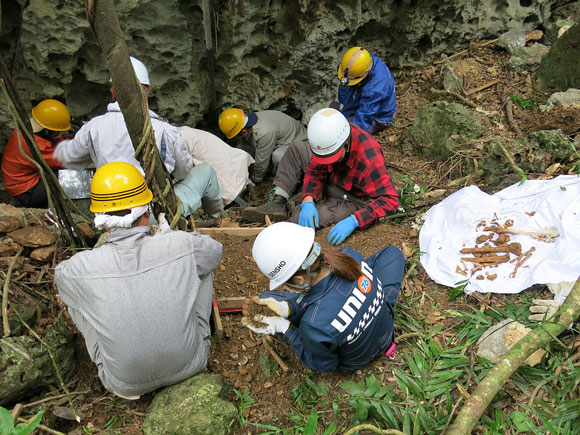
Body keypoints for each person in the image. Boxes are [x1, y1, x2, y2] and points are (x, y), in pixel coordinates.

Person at [54, 161, 222, 399]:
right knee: (201, 265)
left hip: (123, 383)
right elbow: (215, 252)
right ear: (147, 212)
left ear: (100, 219)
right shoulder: (182, 245)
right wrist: (170, 238)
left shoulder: (76, 268)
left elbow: (60, 278)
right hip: (190, 364)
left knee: (76, 298)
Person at [54, 57, 223, 218]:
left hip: (106, 213)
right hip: (153, 213)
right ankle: (218, 218)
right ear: (147, 91)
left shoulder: (92, 128)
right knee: (205, 171)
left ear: (113, 92)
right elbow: (183, 171)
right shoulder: (164, 129)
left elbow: (70, 159)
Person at [242, 222, 405, 372]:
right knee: (392, 253)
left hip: (358, 359)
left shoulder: (313, 325)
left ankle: (294, 307)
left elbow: (324, 366)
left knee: (269, 298)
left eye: (285, 283)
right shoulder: (348, 256)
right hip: (383, 318)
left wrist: (286, 328)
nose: (285, 287)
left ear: (300, 280)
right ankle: (293, 306)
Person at [242, 108, 399, 245]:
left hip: (352, 197)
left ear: (345, 144)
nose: (325, 161)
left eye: (331, 157)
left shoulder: (369, 160)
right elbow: (315, 170)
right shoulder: (329, 137)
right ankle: (279, 201)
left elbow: (390, 200)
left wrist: (355, 220)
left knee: (307, 218)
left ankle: (291, 214)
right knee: (296, 148)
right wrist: (308, 200)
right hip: (333, 177)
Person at [1, 99, 71, 207]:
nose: (59, 134)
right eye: (57, 132)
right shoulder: (36, 146)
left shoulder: (25, 130)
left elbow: (55, 141)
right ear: (47, 130)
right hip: (26, 192)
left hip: (19, 183)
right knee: (66, 176)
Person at [218, 108, 307, 184]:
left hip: (297, 142)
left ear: (244, 132)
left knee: (278, 156)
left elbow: (262, 161)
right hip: (277, 140)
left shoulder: (264, 132)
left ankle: (288, 179)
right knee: (241, 148)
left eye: (236, 136)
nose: (235, 138)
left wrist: (255, 180)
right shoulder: (247, 122)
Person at [178, 126, 254, 206]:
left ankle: (246, 206)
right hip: (233, 163)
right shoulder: (185, 131)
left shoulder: (180, 139)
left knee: (224, 183)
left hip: (222, 172)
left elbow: (183, 168)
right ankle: (250, 194)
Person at [335, 46, 396, 135]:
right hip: (367, 99)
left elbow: (364, 118)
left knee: (342, 130)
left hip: (379, 116)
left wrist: (350, 134)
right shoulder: (363, 61)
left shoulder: (376, 89)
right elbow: (345, 93)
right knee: (334, 110)